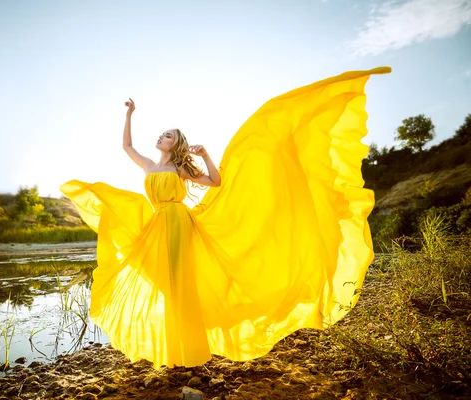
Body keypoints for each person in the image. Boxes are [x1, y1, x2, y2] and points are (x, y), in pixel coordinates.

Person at [60, 66, 391, 369]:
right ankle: (174, 344)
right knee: (162, 282)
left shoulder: (180, 168)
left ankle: (188, 350)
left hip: (178, 223)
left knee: (179, 282)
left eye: (169, 135)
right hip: (155, 224)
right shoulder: (149, 165)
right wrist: (130, 114)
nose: (162, 136)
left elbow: (215, 182)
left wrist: (205, 155)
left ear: (177, 144)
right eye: (162, 133)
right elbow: (126, 147)